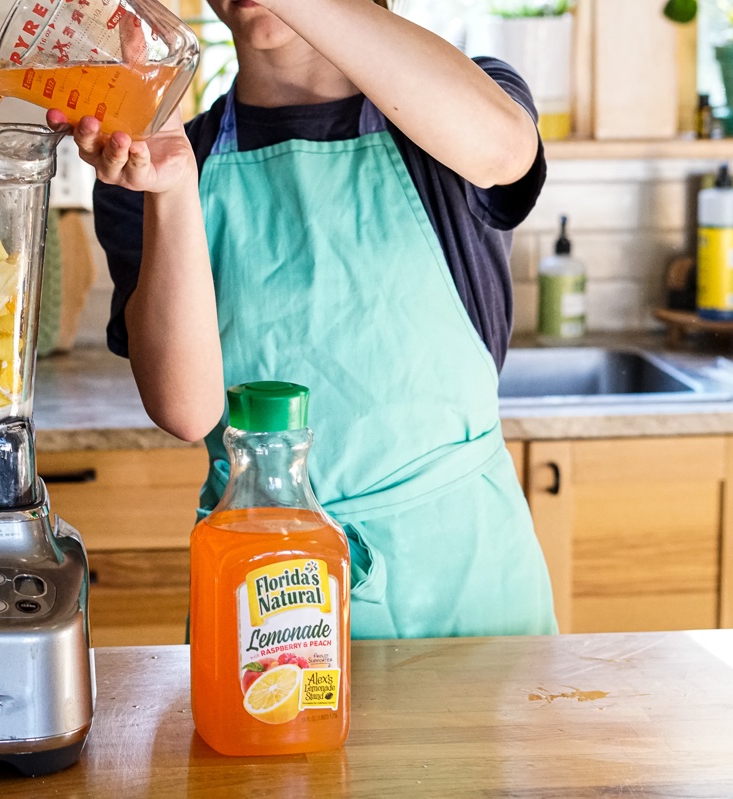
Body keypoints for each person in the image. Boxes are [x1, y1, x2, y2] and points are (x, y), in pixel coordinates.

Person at [48, 0, 556, 638]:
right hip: (269, 602)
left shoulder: (449, 105)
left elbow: (503, 151)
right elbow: (185, 410)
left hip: (471, 594)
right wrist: (173, 190)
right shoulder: (161, 158)